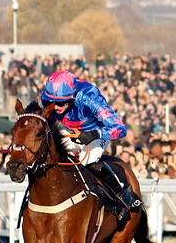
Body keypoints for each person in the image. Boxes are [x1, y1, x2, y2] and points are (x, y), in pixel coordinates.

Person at [40, 70, 140, 223]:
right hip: (67, 128)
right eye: (51, 101)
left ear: (72, 97)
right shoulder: (48, 97)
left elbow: (121, 128)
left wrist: (94, 134)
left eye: (60, 103)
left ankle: (122, 195)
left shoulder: (90, 98)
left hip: (96, 130)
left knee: (87, 159)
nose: (55, 106)